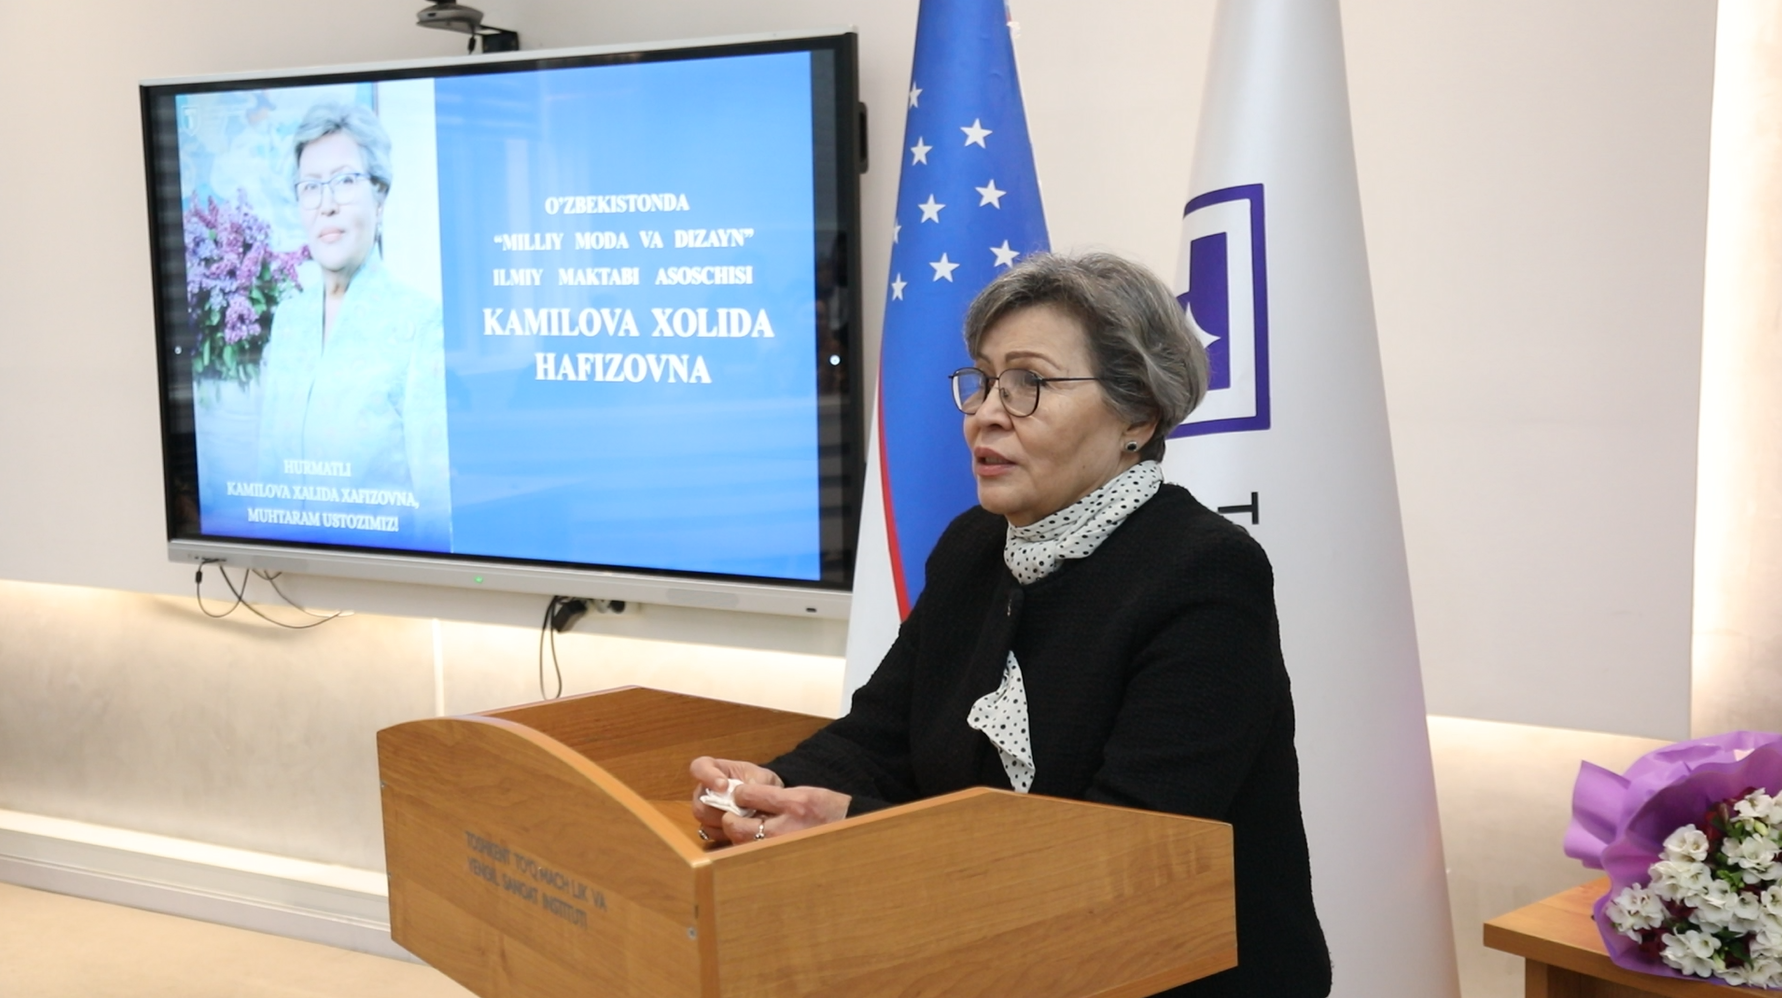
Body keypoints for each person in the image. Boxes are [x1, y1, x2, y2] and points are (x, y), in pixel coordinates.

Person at [689, 252, 1331, 997]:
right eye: (985, 380)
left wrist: (849, 825)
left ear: (1137, 415)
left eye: (1029, 384)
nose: (987, 413)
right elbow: (879, 738)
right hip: (995, 954)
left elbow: (1125, 847)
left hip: (1172, 973)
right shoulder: (973, 548)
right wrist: (771, 785)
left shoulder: (1205, 573)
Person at [256, 101, 451, 549]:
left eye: (344, 181)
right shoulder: (288, 321)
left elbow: (436, 505)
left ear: (379, 196)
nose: (326, 206)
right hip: (286, 572)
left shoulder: (420, 323)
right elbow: (267, 478)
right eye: (310, 187)